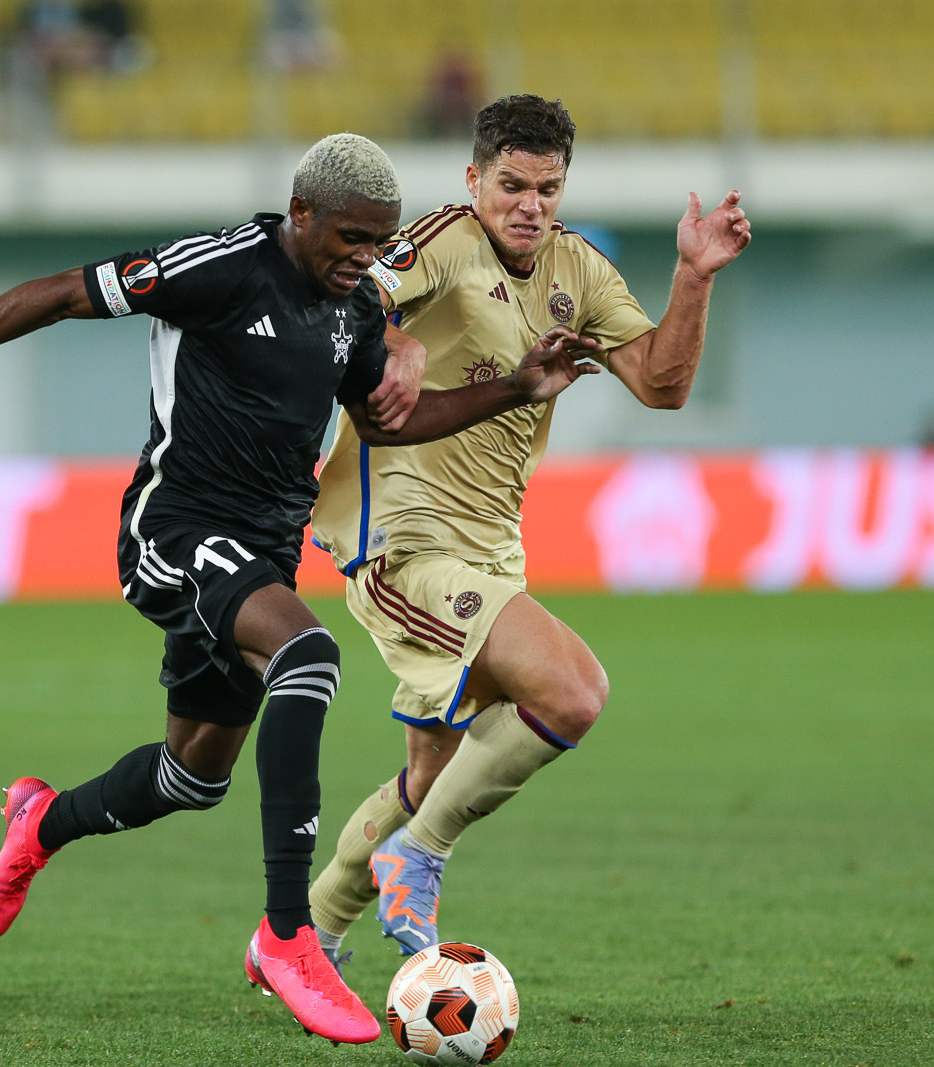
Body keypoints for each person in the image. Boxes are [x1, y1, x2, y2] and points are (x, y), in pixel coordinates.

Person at [0, 132, 604, 1043]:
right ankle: (288, 935)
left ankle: (40, 821)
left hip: (263, 555)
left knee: (190, 776)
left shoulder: (354, 309)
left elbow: (391, 420)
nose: (365, 258)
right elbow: (58, 292)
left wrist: (517, 387)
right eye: (350, 237)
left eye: (379, 242)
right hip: (176, 530)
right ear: (301, 213)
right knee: (308, 655)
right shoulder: (220, 267)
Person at [305, 95, 753, 966]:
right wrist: (393, 342)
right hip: (400, 540)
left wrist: (694, 276)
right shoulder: (442, 241)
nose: (530, 205)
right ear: (475, 178)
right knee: (573, 691)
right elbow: (346, 300)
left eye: (547, 188)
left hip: (491, 547)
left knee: (433, 774)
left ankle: (304, 931)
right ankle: (418, 855)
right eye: (511, 185)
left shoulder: (577, 270)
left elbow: (660, 384)